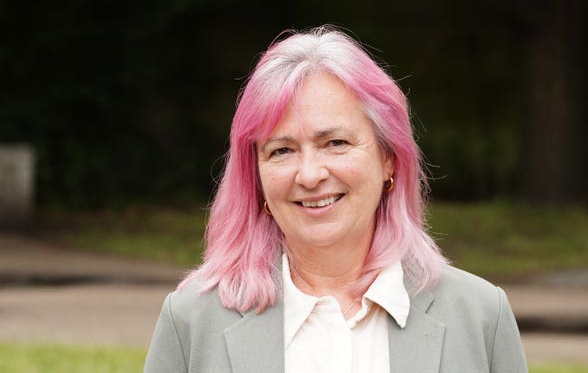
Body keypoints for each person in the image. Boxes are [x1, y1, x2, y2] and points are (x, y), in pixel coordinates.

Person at [144, 26, 528, 373]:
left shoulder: (481, 317)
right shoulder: (192, 321)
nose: (310, 174)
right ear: (256, 178)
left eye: (336, 143)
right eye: (281, 150)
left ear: (388, 158)